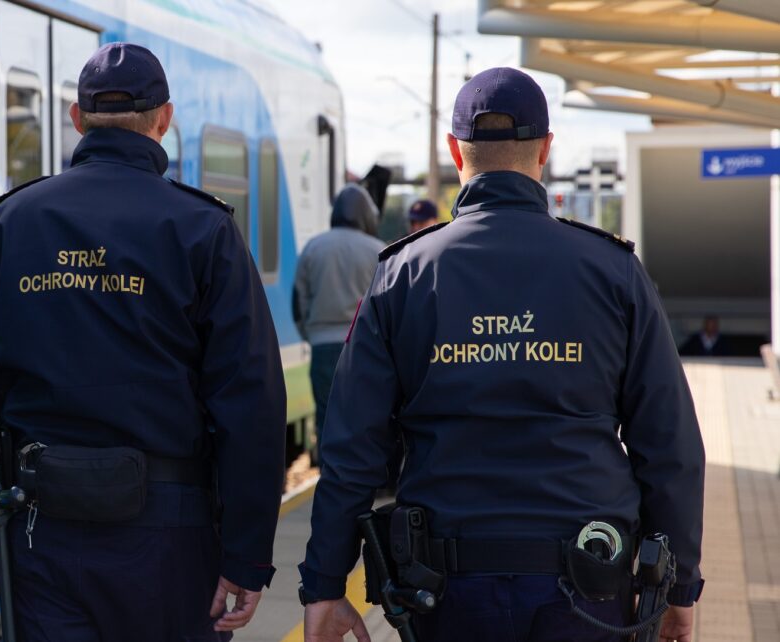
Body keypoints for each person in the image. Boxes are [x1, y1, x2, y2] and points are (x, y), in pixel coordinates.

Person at [298, 67, 705, 642]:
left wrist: (324, 584)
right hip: (589, 585)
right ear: (546, 149)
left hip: (445, 591)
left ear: (454, 152)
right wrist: (679, 587)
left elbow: (351, 446)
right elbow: (670, 446)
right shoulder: (614, 271)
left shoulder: (404, 273)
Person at [0, 42, 286, 641]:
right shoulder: (203, 229)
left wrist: (1, 502)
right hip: (170, 535)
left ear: (78, 120)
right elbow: (251, 404)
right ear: (165, 118)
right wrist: (244, 558)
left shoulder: (12, 222)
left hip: (41, 525)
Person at [293, 185, 385, 452]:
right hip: (365, 349)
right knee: (365, 420)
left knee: (327, 419)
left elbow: (299, 302)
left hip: (322, 347)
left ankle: (329, 480)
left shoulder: (313, 248)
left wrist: (311, 336)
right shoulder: (378, 250)